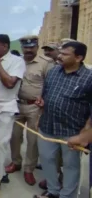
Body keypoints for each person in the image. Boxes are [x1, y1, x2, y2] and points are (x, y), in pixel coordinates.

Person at [33, 41, 92, 198]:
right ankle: (53, 191)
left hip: (72, 131)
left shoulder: (89, 78)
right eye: (60, 52)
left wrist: (85, 133)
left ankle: (67, 195)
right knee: (47, 159)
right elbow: (46, 94)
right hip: (47, 126)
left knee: (71, 166)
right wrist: (42, 105)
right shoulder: (53, 72)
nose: (59, 56)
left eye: (65, 54)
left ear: (79, 57)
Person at [6, 36, 54, 186]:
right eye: (25, 47)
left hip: (35, 107)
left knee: (33, 141)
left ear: (37, 47)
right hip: (17, 105)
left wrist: (44, 100)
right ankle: (16, 162)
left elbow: (51, 85)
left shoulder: (46, 63)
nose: (28, 50)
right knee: (14, 137)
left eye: (31, 47)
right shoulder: (17, 62)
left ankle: (29, 169)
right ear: (21, 48)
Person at [0, 34, 26, 184]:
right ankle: (0, 172)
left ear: (5, 46)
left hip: (5, 107)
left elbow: (10, 83)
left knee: (0, 143)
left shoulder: (17, 62)